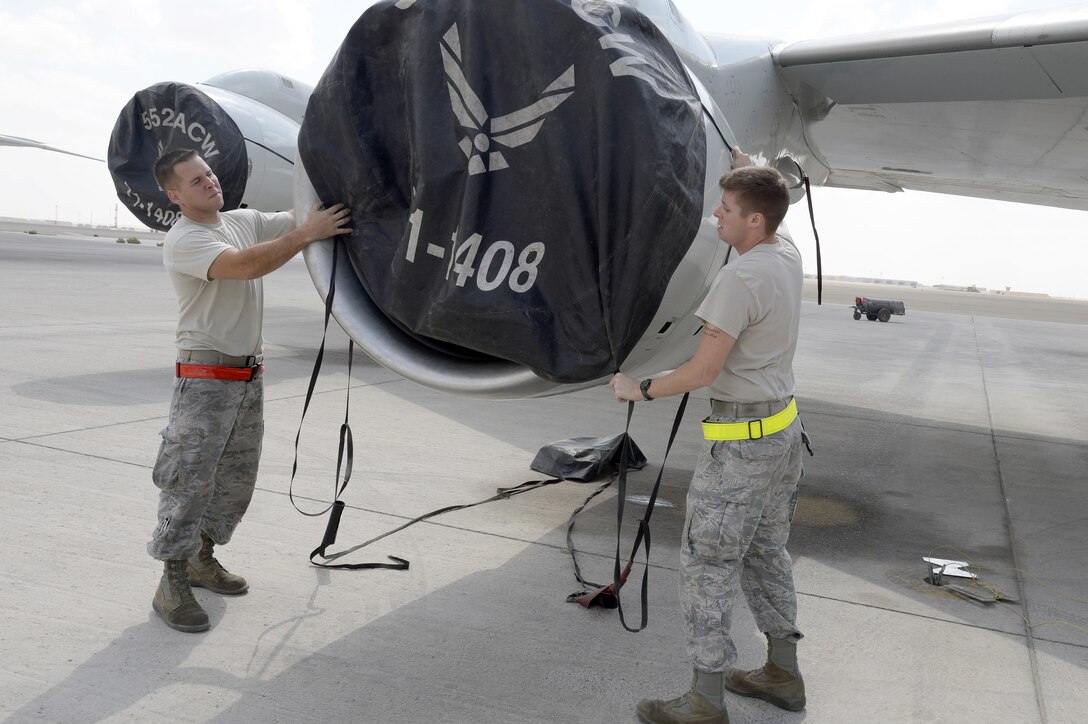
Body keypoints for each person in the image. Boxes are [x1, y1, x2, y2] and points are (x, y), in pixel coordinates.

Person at [610, 149, 806, 723]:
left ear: (754, 221)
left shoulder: (739, 276)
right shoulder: (784, 254)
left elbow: (700, 372)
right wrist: (755, 166)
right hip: (782, 433)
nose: (714, 217)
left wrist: (636, 389)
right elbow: (777, 209)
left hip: (742, 443)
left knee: (708, 563)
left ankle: (705, 700)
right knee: (767, 549)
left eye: (725, 210)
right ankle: (782, 673)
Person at [148, 148, 352, 633]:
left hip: (247, 377)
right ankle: (171, 581)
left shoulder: (241, 220)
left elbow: (299, 216)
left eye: (210, 174)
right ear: (175, 195)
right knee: (188, 482)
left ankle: (202, 558)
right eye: (196, 181)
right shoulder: (186, 239)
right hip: (205, 381)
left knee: (235, 479)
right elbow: (243, 266)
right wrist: (307, 234)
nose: (210, 183)